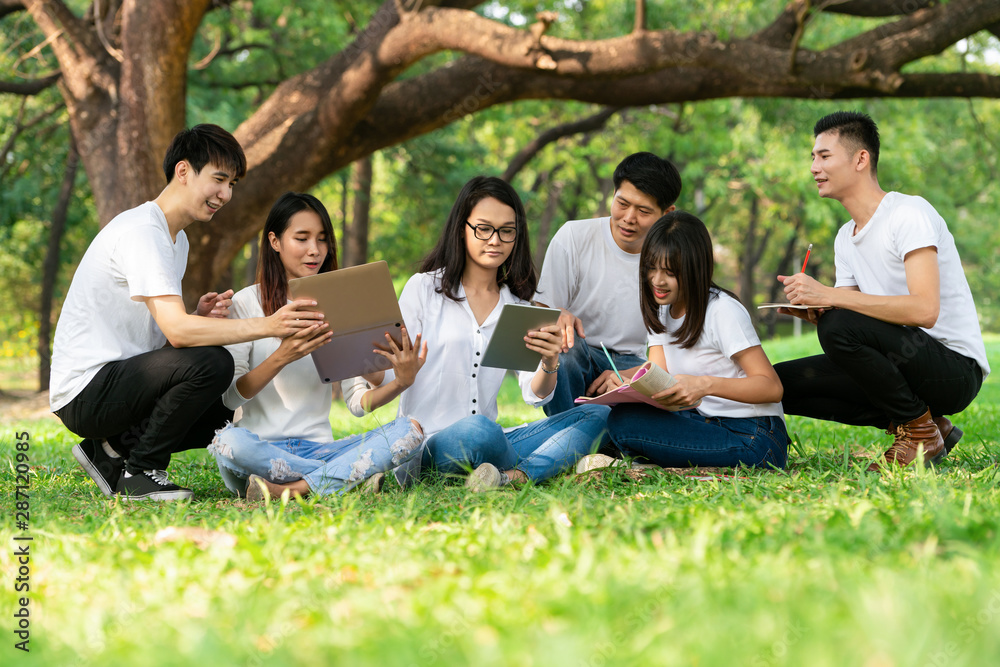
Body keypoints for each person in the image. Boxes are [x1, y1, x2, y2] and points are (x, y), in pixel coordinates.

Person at [51, 125, 325, 501]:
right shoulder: (142, 232)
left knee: (220, 407)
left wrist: (198, 314)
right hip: (85, 390)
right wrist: (268, 325)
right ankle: (141, 473)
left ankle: (109, 451)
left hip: (116, 382)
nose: (226, 194)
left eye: (232, 184)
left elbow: (160, 338)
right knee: (212, 364)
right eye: (219, 179)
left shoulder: (175, 241)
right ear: (183, 171)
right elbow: (180, 335)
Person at [773, 111, 989, 471]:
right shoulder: (846, 237)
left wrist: (830, 299)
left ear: (861, 159)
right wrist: (816, 309)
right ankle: (927, 427)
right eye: (812, 157)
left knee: (837, 324)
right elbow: (852, 320)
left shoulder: (909, 213)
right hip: (901, 362)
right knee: (779, 384)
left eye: (824, 156)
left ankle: (919, 433)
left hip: (952, 369)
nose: (814, 167)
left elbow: (924, 310)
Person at [391, 176, 610, 491]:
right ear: (461, 228)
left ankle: (508, 477)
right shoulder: (424, 290)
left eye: (506, 231)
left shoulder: (517, 305)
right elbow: (390, 371)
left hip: (494, 441)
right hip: (432, 446)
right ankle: (538, 463)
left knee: (597, 414)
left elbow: (534, 394)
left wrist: (549, 362)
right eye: (483, 228)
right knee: (480, 431)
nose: (495, 240)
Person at [208, 192, 425, 500]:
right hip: (258, 447)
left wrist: (401, 382)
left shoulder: (339, 303)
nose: (315, 250)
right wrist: (282, 356)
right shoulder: (246, 303)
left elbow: (357, 403)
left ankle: (293, 489)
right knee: (229, 443)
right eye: (302, 238)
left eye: (322, 239)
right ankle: (344, 475)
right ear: (274, 241)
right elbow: (231, 398)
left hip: (320, 447)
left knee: (410, 430)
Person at [583, 211, 788, 471]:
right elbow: (659, 372)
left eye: (669, 272)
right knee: (618, 417)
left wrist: (705, 385)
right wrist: (622, 378)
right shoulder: (663, 308)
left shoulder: (722, 311)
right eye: (651, 268)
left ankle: (641, 461)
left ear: (694, 269)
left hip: (754, 437)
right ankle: (646, 460)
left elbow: (771, 387)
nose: (657, 280)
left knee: (624, 425)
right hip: (701, 420)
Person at [534, 152, 682, 415]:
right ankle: (567, 437)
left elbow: (673, 356)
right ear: (613, 193)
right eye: (622, 203)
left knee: (666, 382)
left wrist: (626, 376)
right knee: (563, 348)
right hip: (578, 355)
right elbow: (540, 317)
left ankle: (597, 441)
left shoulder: (671, 260)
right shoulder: (574, 237)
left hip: (634, 364)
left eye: (644, 211)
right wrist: (557, 315)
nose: (629, 217)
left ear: (667, 213)